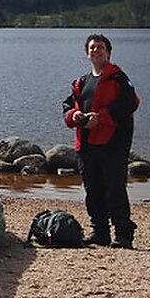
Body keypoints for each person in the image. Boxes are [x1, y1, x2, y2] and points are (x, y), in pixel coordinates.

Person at [62, 34, 139, 248]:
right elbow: (68, 106)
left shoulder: (118, 78)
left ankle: (123, 234)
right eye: (92, 48)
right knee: (93, 190)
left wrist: (101, 118)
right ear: (87, 53)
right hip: (87, 145)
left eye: (100, 47)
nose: (96, 50)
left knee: (114, 189)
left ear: (108, 52)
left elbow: (131, 103)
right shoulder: (82, 82)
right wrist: (74, 115)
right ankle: (100, 232)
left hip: (113, 144)